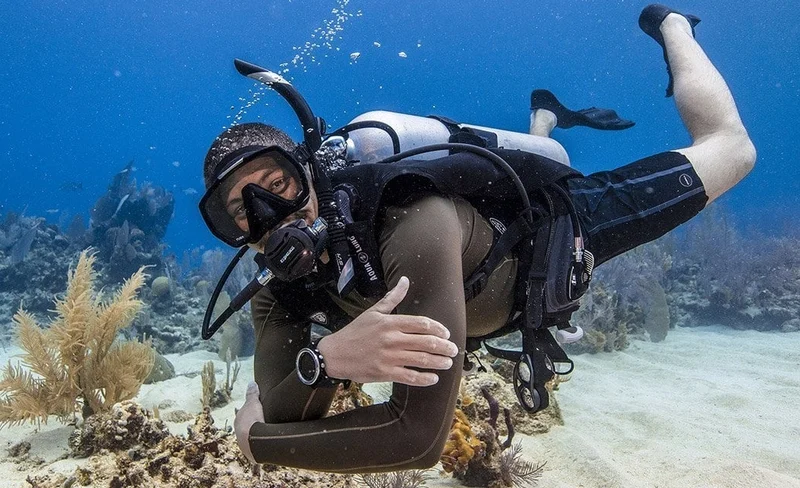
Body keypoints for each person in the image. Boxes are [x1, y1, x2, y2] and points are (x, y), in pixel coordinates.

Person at [200, 4, 755, 472]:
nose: (270, 216)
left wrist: (257, 445)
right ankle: (543, 120)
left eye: (279, 186)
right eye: (241, 213)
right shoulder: (281, 292)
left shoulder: (409, 221)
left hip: (552, 237)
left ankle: (673, 24)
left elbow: (417, 439)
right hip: (480, 290)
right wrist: (324, 362)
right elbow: (288, 411)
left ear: (310, 171)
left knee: (731, 150)